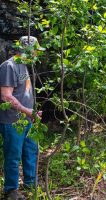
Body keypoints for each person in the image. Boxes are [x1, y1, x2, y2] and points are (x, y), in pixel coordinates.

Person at [0, 36, 43, 199]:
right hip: (12, 121)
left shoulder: (23, 65)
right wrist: (27, 111)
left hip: (27, 119)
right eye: (36, 50)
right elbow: (6, 96)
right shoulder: (9, 66)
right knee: (13, 155)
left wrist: (32, 113)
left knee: (31, 151)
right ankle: (11, 191)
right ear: (27, 49)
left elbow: (23, 93)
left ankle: (31, 185)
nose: (37, 53)